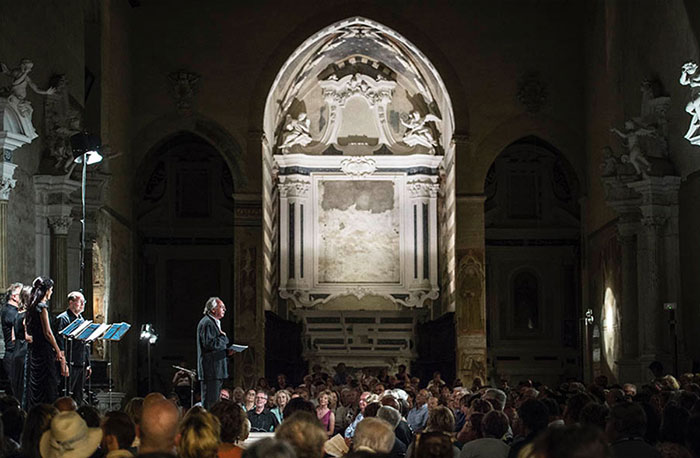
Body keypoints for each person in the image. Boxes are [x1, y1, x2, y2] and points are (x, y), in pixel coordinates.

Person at [26, 277, 68, 407]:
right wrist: (58, 351)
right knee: (48, 385)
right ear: (47, 291)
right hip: (44, 352)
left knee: (36, 387)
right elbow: (48, 333)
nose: (52, 292)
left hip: (34, 350)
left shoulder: (32, 307)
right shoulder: (42, 308)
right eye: (51, 289)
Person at [55, 291, 91, 405]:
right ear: (71, 302)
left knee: (78, 396)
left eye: (84, 302)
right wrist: (63, 363)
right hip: (69, 362)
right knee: (66, 394)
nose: (83, 304)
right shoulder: (63, 319)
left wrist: (88, 363)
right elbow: (60, 342)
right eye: (80, 302)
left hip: (81, 362)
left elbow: (85, 343)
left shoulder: (81, 320)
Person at [197, 297, 232, 409]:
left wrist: (226, 352)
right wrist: (223, 337)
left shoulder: (213, 322)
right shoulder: (207, 323)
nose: (225, 309)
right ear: (213, 309)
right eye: (221, 307)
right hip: (211, 371)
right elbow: (209, 344)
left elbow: (214, 347)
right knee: (210, 405)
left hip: (216, 370)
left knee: (215, 404)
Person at [1, 282, 22, 395]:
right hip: (12, 354)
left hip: (14, 353)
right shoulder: (10, 311)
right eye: (21, 295)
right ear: (14, 296)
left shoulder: (13, 311)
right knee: (14, 392)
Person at [12, 285, 31, 407]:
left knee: (17, 386)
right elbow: (28, 337)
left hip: (17, 351)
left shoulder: (17, 314)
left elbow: (13, 338)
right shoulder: (27, 315)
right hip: (25, 351)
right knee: (25, 387)